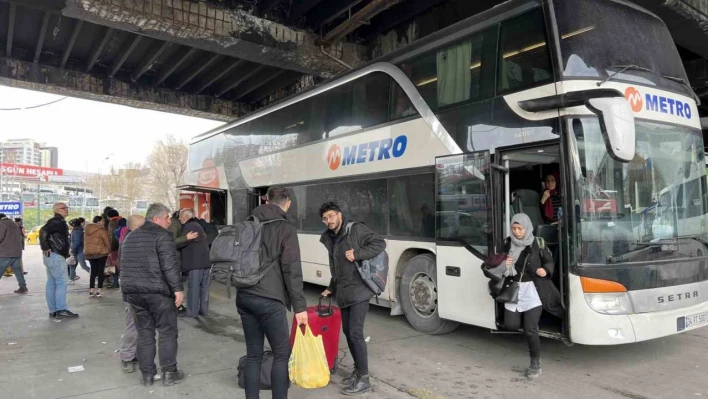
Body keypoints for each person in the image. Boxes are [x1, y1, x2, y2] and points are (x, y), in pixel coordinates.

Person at [237, 187, 307, 399]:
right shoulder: (285, 228)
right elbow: (292, 270)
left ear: (266, 200)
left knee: (254, 354)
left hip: (244, 295)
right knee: (281, 354)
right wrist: (300, 308)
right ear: (287, 203)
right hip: (270, 298)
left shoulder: (246, 223)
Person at [319, 202, 386, 395]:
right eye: (325, 218)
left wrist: (357, 254)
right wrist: (331, 288)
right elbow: (338, 268)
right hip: (345, 291)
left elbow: (379, 243)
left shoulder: (356, 229)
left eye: (331, 216)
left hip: (360, 290)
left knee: (355, 333)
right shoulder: (331, 238)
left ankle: (364, 379)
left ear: (339, 215)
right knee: (348, 332)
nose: (328, 221)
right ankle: (358, 371)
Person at [120, 203, 186, 387]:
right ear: (156, 219)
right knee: (167, 332)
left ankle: (148, 375)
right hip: (157, 293)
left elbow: (123, 265)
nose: (169, 221)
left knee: (145, 333)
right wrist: (177, 289)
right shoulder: (162, 236)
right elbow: (169, 265)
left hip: (134, 293)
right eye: (167, 217)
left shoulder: (130, 237)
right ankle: (169, 373)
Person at [502, 213, 563, 379]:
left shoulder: (538, 242)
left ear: (526, 227)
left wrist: (545, 270)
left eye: (519, 228)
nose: (516, 232)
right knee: (511, 325)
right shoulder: (508, 243)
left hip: (534, 290)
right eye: (514, 228)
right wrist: (504, 264)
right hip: (514, 288)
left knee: (530, 330)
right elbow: (498, 262)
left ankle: (535, 363)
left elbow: (549, 261)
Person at [39, 202, 79, 318]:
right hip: (55, 255)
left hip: (52, 256)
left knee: (52, 283)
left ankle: (53, 310)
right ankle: (61, 309)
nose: (67, 210)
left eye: (67, 207)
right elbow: (43, 231)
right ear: (57, 210)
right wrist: (45, 246)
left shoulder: (56, 221)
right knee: (61, 282)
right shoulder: (57, 221)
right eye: (64, 208)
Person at [119, 215, 145, 374]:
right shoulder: (131, 241)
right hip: (134, 289)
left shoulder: (133, 239)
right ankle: (127, 357)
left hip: (139, 288)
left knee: (141, 325)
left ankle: (133, 354)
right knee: (133, 325)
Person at [179, 209, 211, 318]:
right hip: (205, 262)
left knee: (194, 287)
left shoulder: (189, 226)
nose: (179, 219)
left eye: (180, 216)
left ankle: (192, 312)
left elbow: (181, 243)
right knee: (203, 287)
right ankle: (204, 310)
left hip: (195, 263)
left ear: (186, 217)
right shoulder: (198, 225)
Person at [168, 209, 198, 315]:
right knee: (174, 282)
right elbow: (171, 241)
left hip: (175, 258)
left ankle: (176, 305)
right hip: (173, 259)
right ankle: (175, 306)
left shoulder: (176, 223)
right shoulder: (174, 224)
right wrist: (186, 237)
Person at [0, 213, 28, 294]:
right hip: (17, 252)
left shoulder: (2, 224)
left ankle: (23, 287)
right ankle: (23, 286)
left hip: (5, 253)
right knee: (18, 271)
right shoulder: (14, 224)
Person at [84, 215, 111, 298]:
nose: (103, 222)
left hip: (90, 253)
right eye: (102, 221)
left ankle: (91, 290)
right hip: (101, 253)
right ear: (99, 222)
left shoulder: (86, 230)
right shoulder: (101, 230)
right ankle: (99, 290)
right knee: (100, 272)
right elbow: (107, 242)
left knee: (93, 271)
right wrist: (109, 250)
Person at [69, 218, 88, 284]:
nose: (69, 226)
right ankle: (71, 279)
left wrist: (72, 250)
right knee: (72, 265)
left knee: (83, 265)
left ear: (73, 225)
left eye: (70, 225)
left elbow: (77, 242)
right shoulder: (77, 230)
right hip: (77, 251)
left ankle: (95, 275)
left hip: (79, 251)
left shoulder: (77, 231)